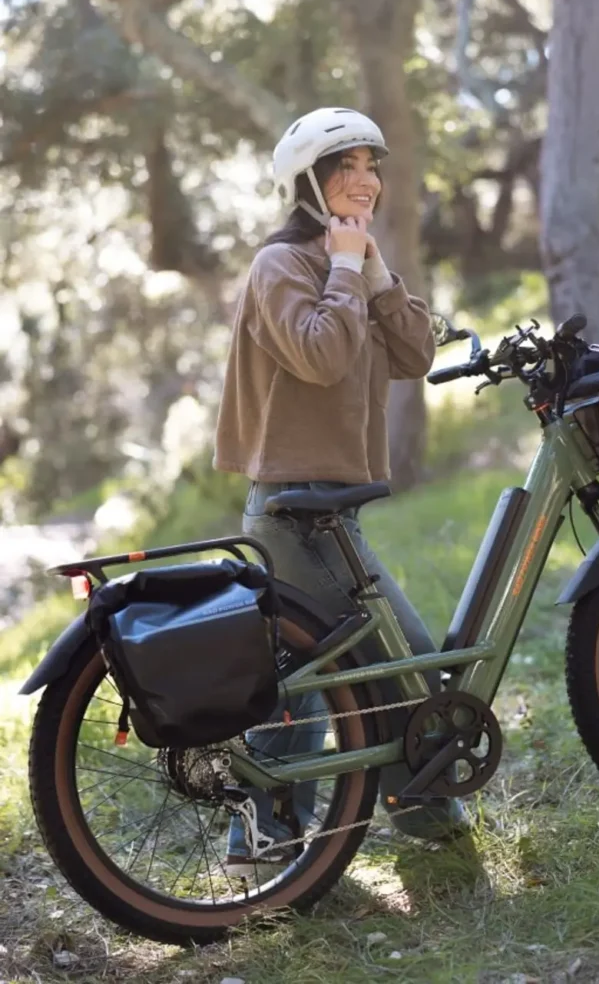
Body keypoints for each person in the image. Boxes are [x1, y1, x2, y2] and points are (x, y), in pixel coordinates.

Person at [213, 107, 466, 874]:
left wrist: (377, 272)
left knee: (331, 675)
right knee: (371, 666)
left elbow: (416, 353)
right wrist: (348, 270)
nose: (365, 180)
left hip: (332, 505)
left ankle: (282, 835)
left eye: (371, 165)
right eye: (344, 166)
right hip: (293, 504)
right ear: (309, 183)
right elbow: (321, 357)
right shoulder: (280, 267)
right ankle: (295, 833)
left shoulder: (355, 257)